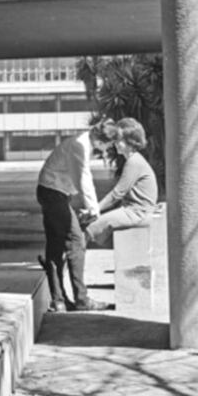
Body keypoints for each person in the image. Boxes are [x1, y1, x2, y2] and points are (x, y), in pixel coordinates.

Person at [36, 119, 117, 312]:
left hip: (54, 193)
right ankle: (81, 299)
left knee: (56, 246)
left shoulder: (81, 143)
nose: (106, 151)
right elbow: (83, 178)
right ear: (102, 141)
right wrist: (93, 209)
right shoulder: (79, 145)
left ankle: (59, 301)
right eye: (108, 146)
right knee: (76, 241)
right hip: (53, 193)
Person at [83, 117, 159, 250]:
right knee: (97, 228)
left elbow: (117, 194)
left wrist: (94, 209)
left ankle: (64, 264)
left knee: (90, 229)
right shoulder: (134, 160)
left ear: (130, 143)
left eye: (120, 141)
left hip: (137, 213)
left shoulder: (133, 162)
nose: (116, 144)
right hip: (134, 211)